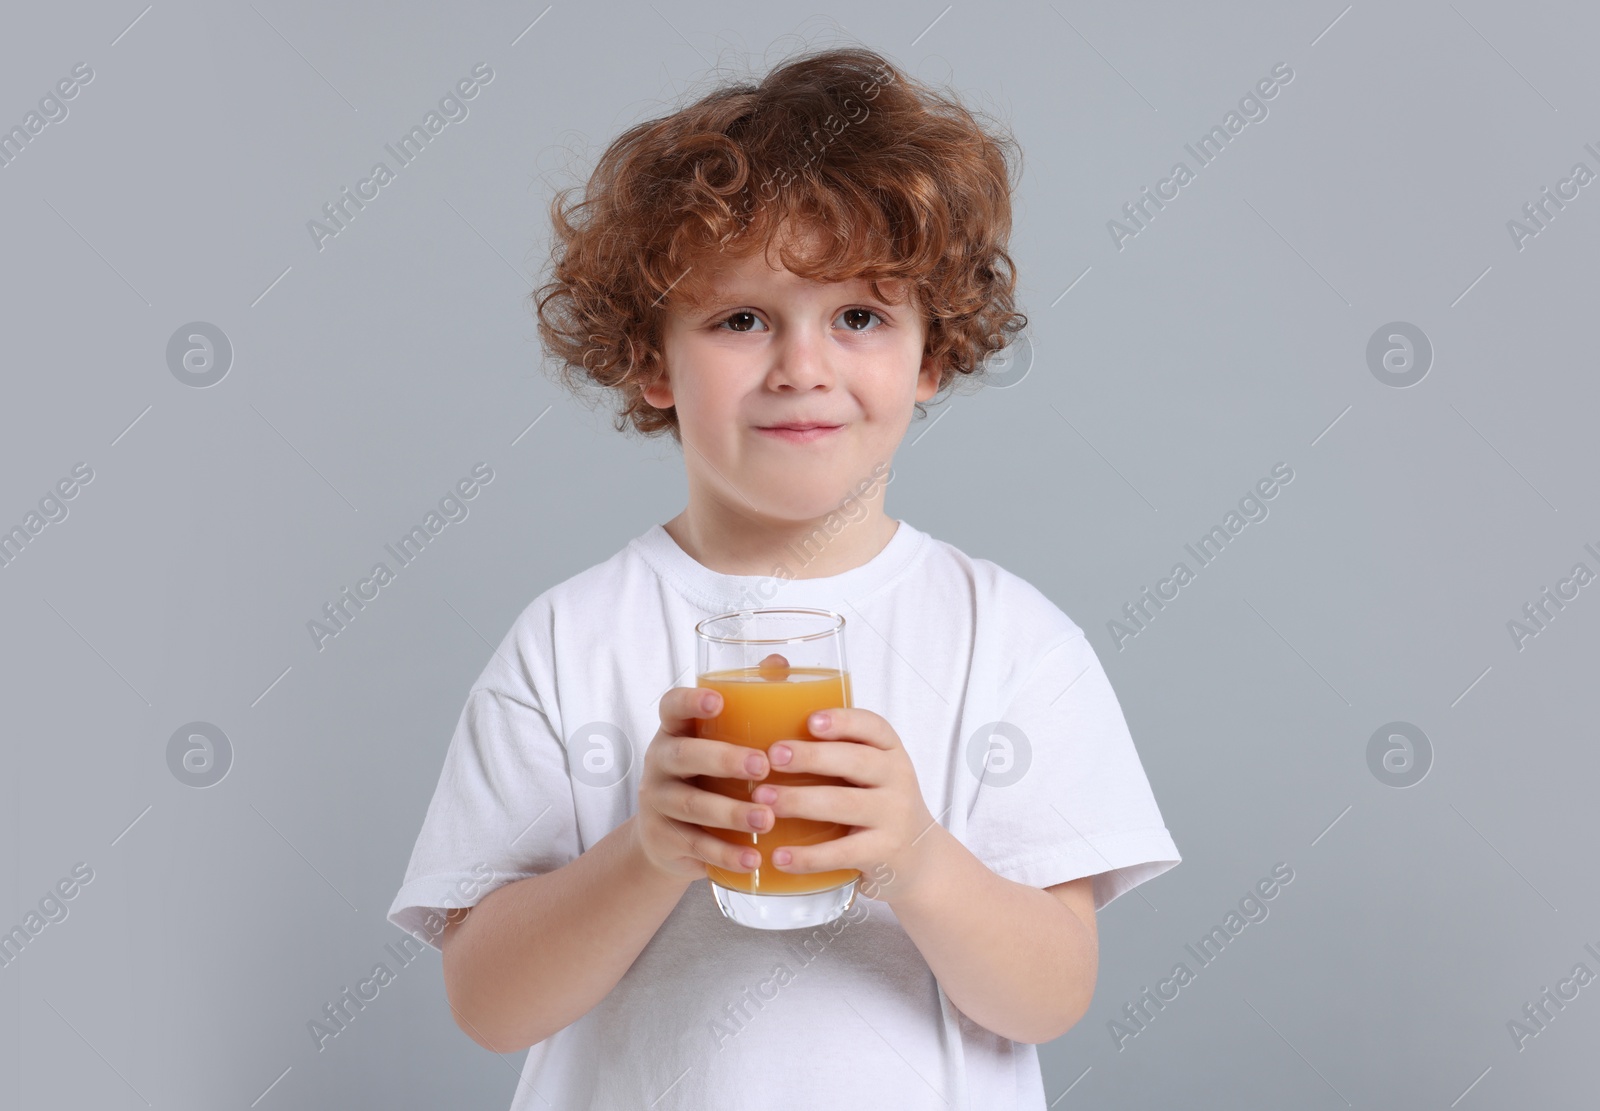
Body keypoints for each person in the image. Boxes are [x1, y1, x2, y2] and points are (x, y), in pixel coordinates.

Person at [387, 43, 1180, 1110]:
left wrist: (915, 857)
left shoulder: (1011, 641)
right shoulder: (569, 641)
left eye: (859, 316)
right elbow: (488, 1003)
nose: (801, 366)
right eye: (741, 319)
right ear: (649, 361)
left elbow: (1048, 994)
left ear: (931, 355)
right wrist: (649, 850)